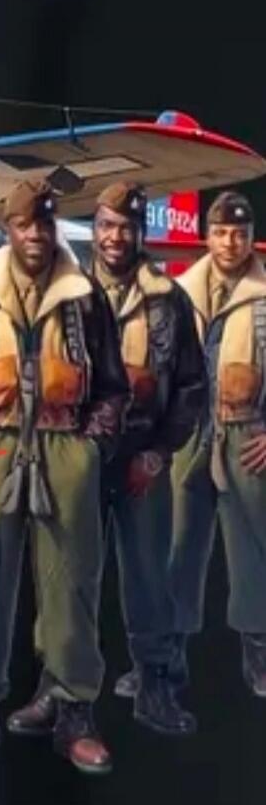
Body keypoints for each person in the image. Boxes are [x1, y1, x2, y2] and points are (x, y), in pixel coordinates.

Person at [0, 179, 128, 776]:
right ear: (8, 229)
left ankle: (74, 709)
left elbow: (114, 387)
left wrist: (92, 445)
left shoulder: (85, 298)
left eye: (45, 225)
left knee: (72, 579)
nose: (37, 237)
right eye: (25, 226)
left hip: (65, 441)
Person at [88, 181, 205, 734]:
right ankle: (65, 696)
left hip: (141, 456)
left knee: (147, 578)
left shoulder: (169, 298)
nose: (116, 237)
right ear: (95, 226)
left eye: (127, 228)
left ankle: (155, 685)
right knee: (67, 578)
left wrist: (160, 453)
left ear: (141, 231)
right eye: (108, 225)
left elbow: (190, 385)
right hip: (81, 457)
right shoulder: (68, 289)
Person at [169, 191, 266, 699]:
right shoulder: (182, 293)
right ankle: (169, 655)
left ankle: (258, 648)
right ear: (207, 235)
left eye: (240, 232)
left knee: (250, 547)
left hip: (246, 433)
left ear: (251, 237)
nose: (231, 242)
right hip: (191, 435)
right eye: (222, 231)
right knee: (181, 547)